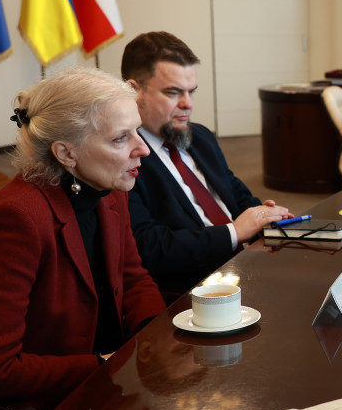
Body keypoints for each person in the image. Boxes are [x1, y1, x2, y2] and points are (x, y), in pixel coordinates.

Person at [0, 68, 165, 406]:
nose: (144, 149)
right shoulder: (15, 220)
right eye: (120, 138)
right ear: (65, 153)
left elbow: (131, 279)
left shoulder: (108, 191)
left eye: (137, 131)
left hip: (103, 391)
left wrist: (157, 336)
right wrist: (105, 365)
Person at [121, 31, 291, 298]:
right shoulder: (124, 158)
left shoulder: (200, 136)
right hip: (193, 290)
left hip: (245, 265)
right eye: (173, 92)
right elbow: (148, 246)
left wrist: (264, 215)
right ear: (134, 91)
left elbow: (234, 191)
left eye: (191, 92)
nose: (187, 104)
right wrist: (234, 232)